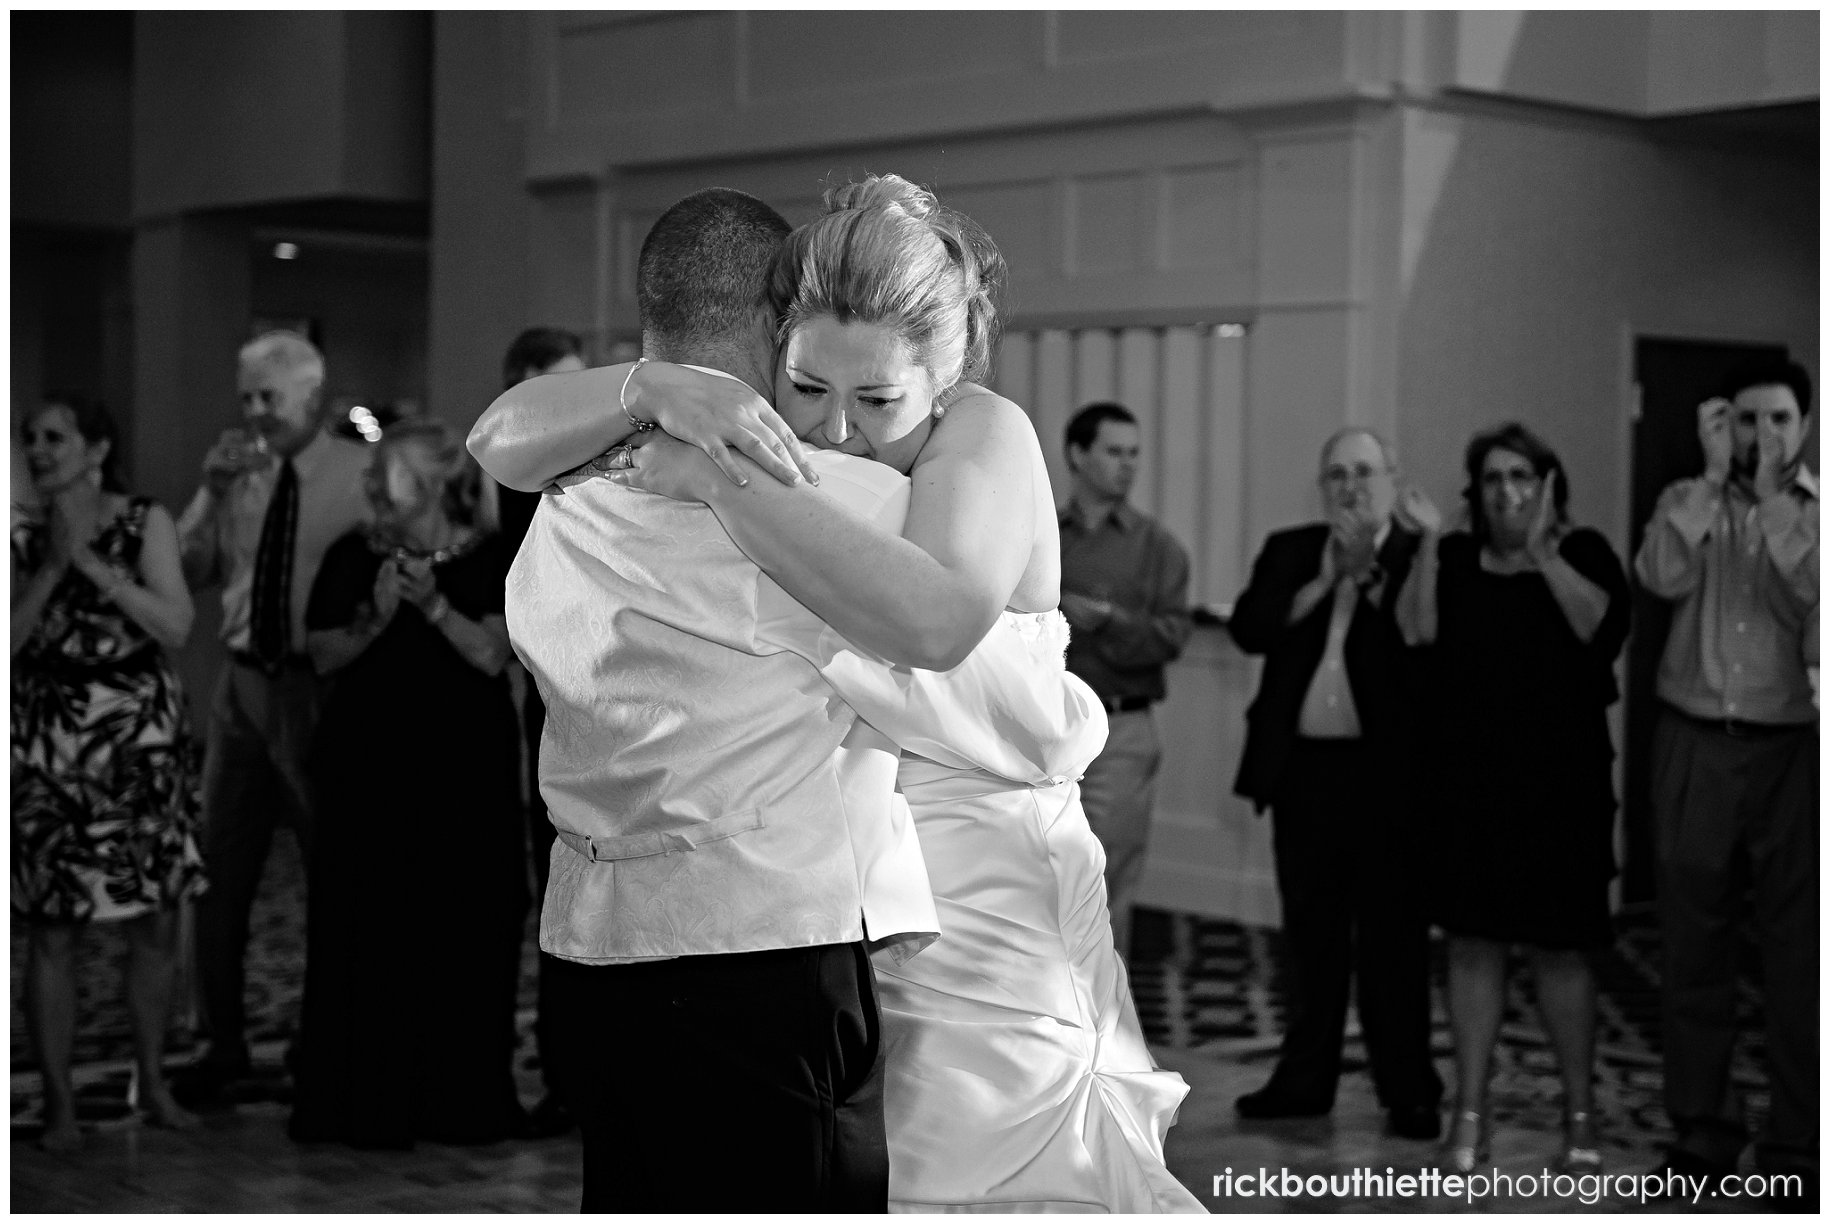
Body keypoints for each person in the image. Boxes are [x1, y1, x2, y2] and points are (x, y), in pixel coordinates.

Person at [473, 176, 1203, 1212]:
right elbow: (499, 435)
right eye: (808, 388)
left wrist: (717, 475)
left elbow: (936, 620)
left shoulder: (968, 447)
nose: (835, 431)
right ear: (777, 348)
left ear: (943, 377)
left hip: (990, 907)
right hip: (860, 917)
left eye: (876, 400)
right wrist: (652, 393)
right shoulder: (824, 484)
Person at [1395, 423, 1630, 1173]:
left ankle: (1580, 1112)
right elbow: (1416, 630)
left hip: (1562, 792)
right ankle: (1470, 1113)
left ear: (1549, 486)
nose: (1508, 492)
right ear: (1477, 491)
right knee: (1472, 945)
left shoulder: (1585, 553)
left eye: (1523, 477)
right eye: (1494, 479)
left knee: (1562, 954)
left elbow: (1600, 629)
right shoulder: (1457, 558)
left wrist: (1542, 556)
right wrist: (1431, 543)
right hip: (1469, 789)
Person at [287, 418, 526, 1147]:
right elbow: (321, 653)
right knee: (366, 925)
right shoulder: (352, 556)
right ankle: (364, 1100)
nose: (367, 487)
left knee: (463, 925)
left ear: (424, 484)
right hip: (368, 773)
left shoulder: (490, 557)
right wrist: (376, 615)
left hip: (463, 777)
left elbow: (493, 655)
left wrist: (432, 608)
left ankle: (458, 1100)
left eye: (382, 473)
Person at [1634, 358, 1818, 1201]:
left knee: (1798, 954)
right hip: (1694, 742)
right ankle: (1703, 1126)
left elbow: (1811, 595)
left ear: (1806, 424)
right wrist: (1711, 485)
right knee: (1693, 941)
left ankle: (1799, 1138)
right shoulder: (1684, 501)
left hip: (1790, 750)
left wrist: (1779, 501)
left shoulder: (1816, 515)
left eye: (1779, 418)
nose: (1763, 436)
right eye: (1747, 421)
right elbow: (1660, 577)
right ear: (1725, 428)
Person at [1226, 427, 1442, 1141]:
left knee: (1392, 943)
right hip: (1304, 778)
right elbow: (1251, 630)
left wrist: (1368, 576)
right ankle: (1304, 1081)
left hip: (1387, 784)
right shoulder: (1291, 550)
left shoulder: (1418, 556)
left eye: (1364, 473)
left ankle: (1408, 1089)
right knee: (1311, 940)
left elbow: (1423, 658)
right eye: (1337, 475)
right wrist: (1327, 577)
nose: (1350, 487)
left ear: (1392, 479)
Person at [173, 330, 372, 1103]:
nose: (255, 413)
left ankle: (321, 1037)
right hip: (239, 689)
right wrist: (210, 491)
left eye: (270, 399)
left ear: (311, 399)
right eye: (247, 397)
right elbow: (191, 572)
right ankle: (219, 1042)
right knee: (216, 872)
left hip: (316, 692)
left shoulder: (358, 477)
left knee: (332, 871)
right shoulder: (238, 477)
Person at [12, 395, 207, 1150]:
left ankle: (152, 1083)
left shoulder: (142, 520)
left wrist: (92, 566)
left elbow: (178, 624)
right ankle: (59, 1102)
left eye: (53, 437)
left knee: (154, 919)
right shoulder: (19, 532)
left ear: (96, 449)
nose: (37, 449)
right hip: (50, 743)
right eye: (30, 438)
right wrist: (54, 566)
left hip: (138, 743)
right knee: (54, 930)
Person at [1057, 402, 1192, 961]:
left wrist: (1111, 621)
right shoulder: (1043, 533)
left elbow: (1171, 638)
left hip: (1120, 731)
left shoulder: (1158, 547)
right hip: (1042, 728)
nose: (1127, 465)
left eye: (1134, 454)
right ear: (1077, 455)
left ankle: (1109, 1032)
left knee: (1106, 884)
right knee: (1042, 878)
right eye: (1114, 452)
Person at [495, 325, 587, 1140]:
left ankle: (574, 1071)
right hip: (538, 707)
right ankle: (560, 1068)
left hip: (577, 699)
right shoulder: (516, 475)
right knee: (555, 886)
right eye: (562, 383)